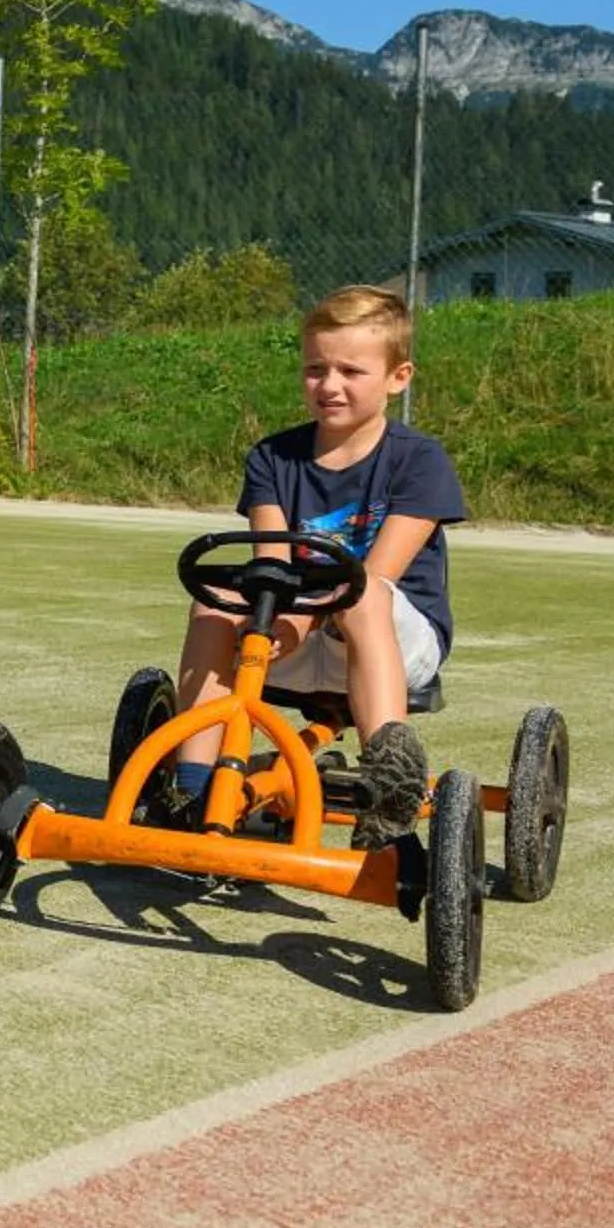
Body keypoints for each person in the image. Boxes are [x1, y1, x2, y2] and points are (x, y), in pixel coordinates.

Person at [162, 284, 464, 834]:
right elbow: (271, 565)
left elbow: (376, 575)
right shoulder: (273, 458)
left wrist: (300, 616)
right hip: (293, 632)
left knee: (362, 592)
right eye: (315, 370)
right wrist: (280, 620)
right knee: (219, 600)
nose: (329, 386)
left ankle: (387, 780)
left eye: (351, 372)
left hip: (393, 638)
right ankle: (196, 788)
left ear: (398, 378)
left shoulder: (419, 460)